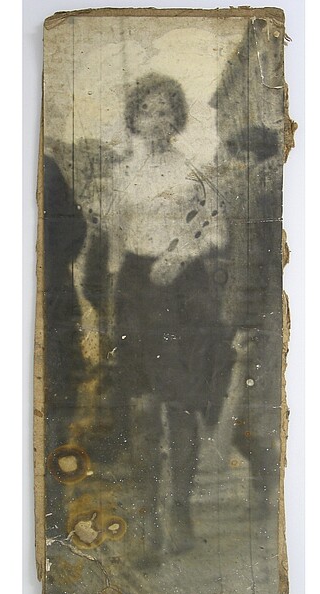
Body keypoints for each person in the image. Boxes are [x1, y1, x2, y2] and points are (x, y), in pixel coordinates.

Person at [82, 72, 236, 565]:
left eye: (165, 110)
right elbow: (110, 246)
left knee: (180, 405)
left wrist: (183, 253)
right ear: (134, 117)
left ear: (177, 119)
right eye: (146, 110)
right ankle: (148, 520)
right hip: (135, 290)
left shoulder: (193, 175)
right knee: (142, 407)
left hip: (184, 292)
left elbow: (218, 231)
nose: (156, 119)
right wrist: (109, 306)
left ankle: (180, 512)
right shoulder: (119, 176)